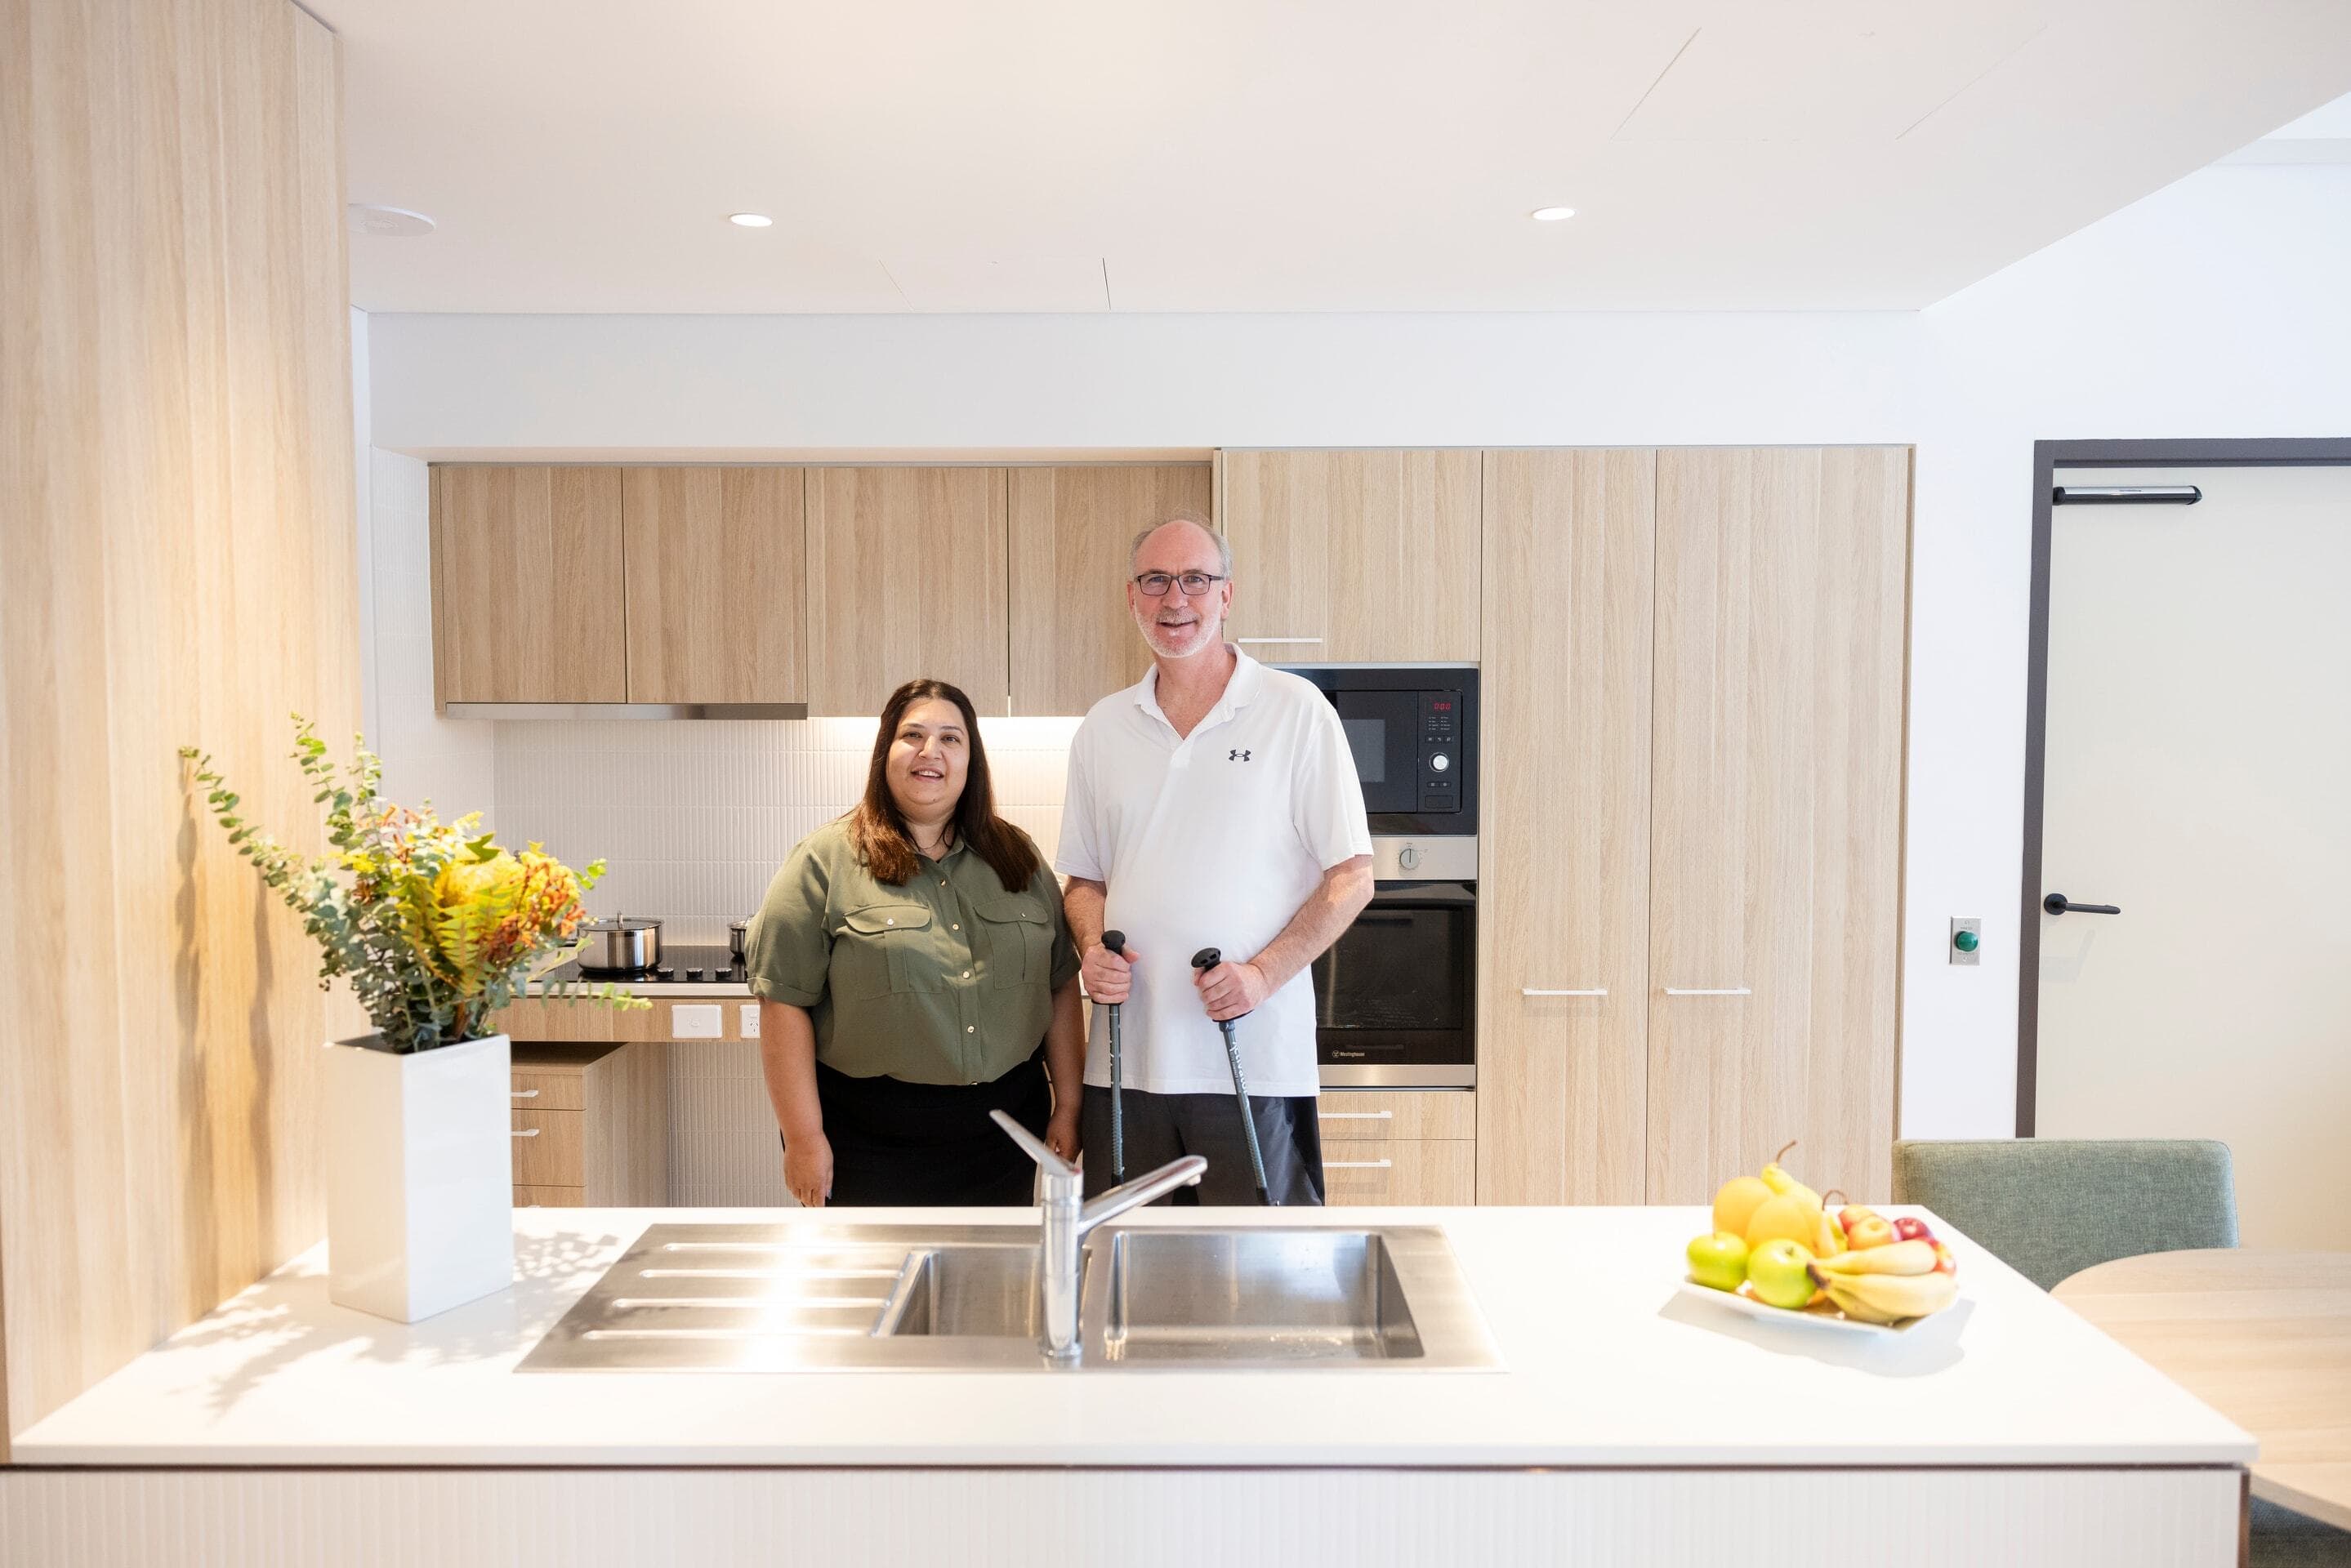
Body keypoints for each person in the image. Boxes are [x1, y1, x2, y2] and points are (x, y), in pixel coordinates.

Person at [1057, 510, 1373, 1205]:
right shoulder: (1103, 728)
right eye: (1156, 580)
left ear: (1226, 595)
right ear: (1132, 596)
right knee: (1130, 1279)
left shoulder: (1295, 710)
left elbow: (1352, 879)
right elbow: (1084, 879)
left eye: (1196, 580)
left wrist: (1261, 975)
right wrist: (1089, 946)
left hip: (1250, 1063)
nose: (1176, 599)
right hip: (1127, 1064)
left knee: (1262, 1279)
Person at [746, 679, 1083, 1207]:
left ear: (971, 760)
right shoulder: (823, 862)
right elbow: (783, 1003)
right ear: (886, 752)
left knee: (990, 1286)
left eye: (951, 738)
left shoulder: (1017, 857)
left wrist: (1069, 1104)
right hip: (870, 1141)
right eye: (913, 735)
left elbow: (1060, 983)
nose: (931, 751)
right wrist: (804, 1139)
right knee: (877, 1285)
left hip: (1004, 1142)